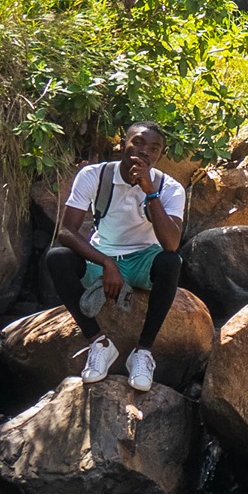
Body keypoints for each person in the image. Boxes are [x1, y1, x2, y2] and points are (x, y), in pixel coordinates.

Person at [47, 122, 186, 391]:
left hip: (143, 260)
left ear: (159, 156)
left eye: (154, 148)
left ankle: (143, 352)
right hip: (101, 258)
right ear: (123, 144)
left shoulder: (170, 188)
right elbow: (66, 231)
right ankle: (99, 342)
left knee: (171, 262)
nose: (144, 151)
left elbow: (171, 244)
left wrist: (150, 192)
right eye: (138, 142)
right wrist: (106, 262)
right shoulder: (95, 175)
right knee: (57, 257)